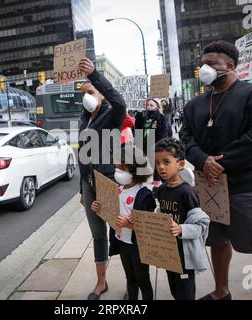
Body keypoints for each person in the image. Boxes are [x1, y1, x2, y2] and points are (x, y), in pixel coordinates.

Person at [180, 41, 252, 300]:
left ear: (230, 66)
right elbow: (186, 138)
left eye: (211, 64)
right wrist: (202, 161)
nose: (204, 68)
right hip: (209, 185)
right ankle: (221, 290)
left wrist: (218, 163)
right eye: (202, 64)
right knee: (217, 240)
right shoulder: (194, 105)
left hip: (247, 184)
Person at [77, 57, 127, 300]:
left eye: (91, 92)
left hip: (109, 182)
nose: (87, 96)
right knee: (98, 235)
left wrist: (95, 75)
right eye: (84, 93)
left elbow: (120, 102)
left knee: (121, 231)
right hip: (89, 185)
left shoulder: (112, 114)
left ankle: (134, 282)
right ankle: (101, 283)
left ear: (102, 94)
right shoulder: (83, 120)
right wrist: (80, 189)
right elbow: (82, 156)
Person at [91, 146, 156, 300]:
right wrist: (98, 207)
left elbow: (149, 225)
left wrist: (129, 224)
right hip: (122, 242)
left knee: (143, 279)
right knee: (130, 278)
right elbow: (109, 209)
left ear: (134, 170)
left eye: (122, 168)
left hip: (138, 246)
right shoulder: (116, 189)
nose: (117, 172)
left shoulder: (144, 195)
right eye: (116, 168)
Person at [155, 137, 210, 300]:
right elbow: (163, 212)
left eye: (166, 161)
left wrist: (181, 229)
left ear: (180, 164)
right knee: (174, 289)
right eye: (157, 163)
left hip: (184, 254)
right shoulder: (162, 189)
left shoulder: (187, 192)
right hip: (169, 250)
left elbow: (201, 225)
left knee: (185, 292)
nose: (161, 167)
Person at [135, 98, 167, 187]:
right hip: (145, 143)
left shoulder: (160, 116)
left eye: (151, 105)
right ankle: (140, 179)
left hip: (155, 143)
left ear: (157, 107)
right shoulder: (145, 115)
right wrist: (139, 114)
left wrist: (158, 145)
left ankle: (157, 180)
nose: (148, 107)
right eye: (148, 105)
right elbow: (138, 128)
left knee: (156, 162)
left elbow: (163, 131)